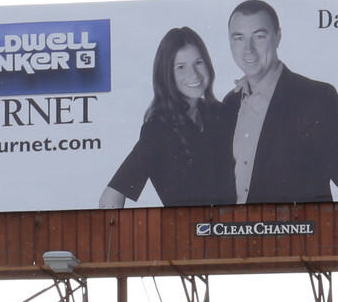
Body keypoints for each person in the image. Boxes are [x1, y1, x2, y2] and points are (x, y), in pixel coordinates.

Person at [222, 0, 338, 204]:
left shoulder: (315, 98)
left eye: (259, 36)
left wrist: (332, 234)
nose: (248, 49)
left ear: (278, 37)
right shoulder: (230, 103)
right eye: (239, 38)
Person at [99, 27, 236, 208]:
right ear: (166, 74)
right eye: (181, 67)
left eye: (198, 62)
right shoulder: (158, 129)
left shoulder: (215, 113)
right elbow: (110, 197)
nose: (194, 74)